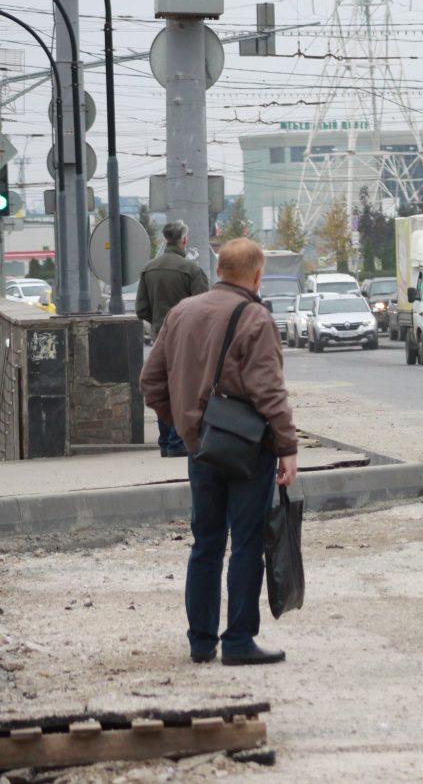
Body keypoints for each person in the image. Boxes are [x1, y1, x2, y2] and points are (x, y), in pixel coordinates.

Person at [140, 238, 298, 667]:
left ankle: (201, 641)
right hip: (249, 451)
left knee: (205, 543)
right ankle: (239, 641)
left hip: (201, 449)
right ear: (257, 275)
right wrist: (287, 447)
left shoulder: (181, 313)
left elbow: (150, 380)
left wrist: (186, 426)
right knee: (246, 543)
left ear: (219, 270)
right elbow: (268, 392)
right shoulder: (255, 318)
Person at [136, 221, 209, 457]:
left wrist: (159, 322)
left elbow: (141, 309)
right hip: (187, 339)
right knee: (184, 389)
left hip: (160, 337)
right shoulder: (191, 270)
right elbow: (203, 309)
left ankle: (166, 442)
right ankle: (178, 442)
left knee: (164, 388)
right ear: (184, 240)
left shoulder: (149, 269)